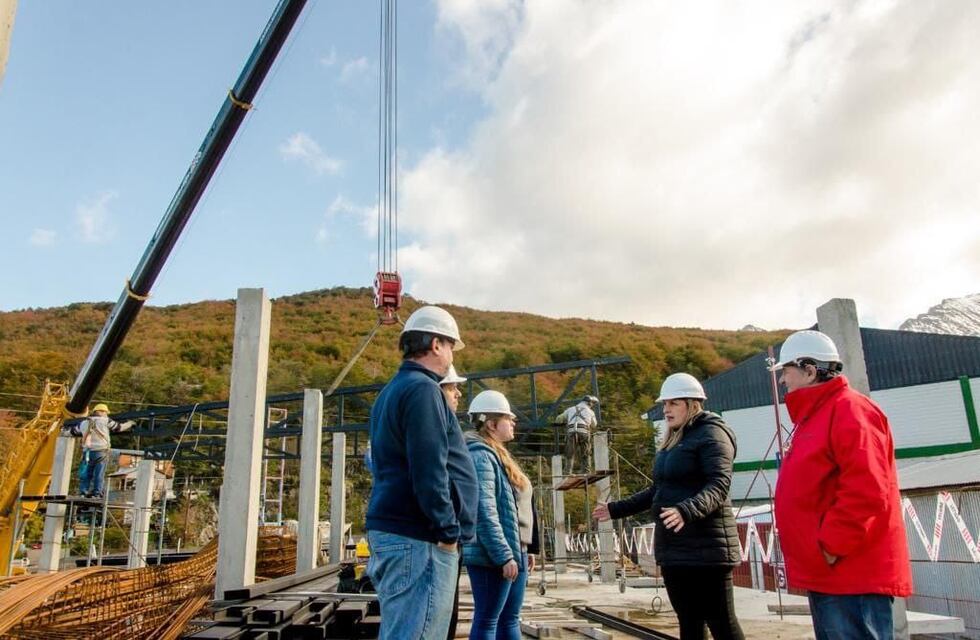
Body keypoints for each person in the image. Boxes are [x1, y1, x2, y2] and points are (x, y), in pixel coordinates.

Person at [771, 330, 912, 639]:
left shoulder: (850, 411)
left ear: (809, 370)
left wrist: (831, 545)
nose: (783, 380)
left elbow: (868, 488)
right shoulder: (819, 415)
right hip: (830, 573)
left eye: (786, 371)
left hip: (850, 574)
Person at [593, 373, 744, 640]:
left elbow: (719, 485)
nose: (666, 410)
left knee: (722, 623)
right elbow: (659, 490)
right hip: (676, 548)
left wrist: (686, 509)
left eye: (673, 403)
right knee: (689, 623)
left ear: (691, 403)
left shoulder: (712, 433)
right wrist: (615, 509)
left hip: (708, 549)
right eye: (665, 404)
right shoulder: (674, 440)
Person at [365, 305, 479, 640]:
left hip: (403, 531)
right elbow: (429, 468)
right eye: (449, 346)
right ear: (435, 345)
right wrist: (446, 531)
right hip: (421, 536)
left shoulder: (392, 391)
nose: (450, 355)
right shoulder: (423, 390)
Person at [463, 390, 532, 640]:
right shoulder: (481, 456)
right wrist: (504, 555)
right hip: (490, 555)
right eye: (508, 418)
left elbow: (511, 508)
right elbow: (485, 510)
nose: (514, 422)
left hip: (510, 550)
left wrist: (523, 547)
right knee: (488, 621)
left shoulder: (495, 453)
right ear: (492, 424)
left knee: (508, 619)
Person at [439, 364, 467, 640]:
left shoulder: (446, 425)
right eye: (452, 387)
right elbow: (432, 477)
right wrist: (448, 531)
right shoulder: (431, 423)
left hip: (449, 539)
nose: (458, 393)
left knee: (446, 618)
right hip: (440, 540)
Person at [77, 403, 133, 498]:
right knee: (99, 473)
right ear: (101, 412)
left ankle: (83, 491)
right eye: (106, 412)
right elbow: (119, 428)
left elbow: (73, 431)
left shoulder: (83, 423)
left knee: (86, 473)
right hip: (100, 451)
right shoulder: (105, 421)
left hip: (87, 452)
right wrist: (130, 423)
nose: (107, 414)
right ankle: (97, 493)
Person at [555, 395, 598, 474]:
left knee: (569, 453)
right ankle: (586, 472)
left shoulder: (570, 409)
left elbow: (558, 419)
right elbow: (594, 425)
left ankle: (567, 472)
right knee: (586, 452)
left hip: (571, 431)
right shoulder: (590, 412)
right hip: (584, 432)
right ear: (589, 403)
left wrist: (564, 422)